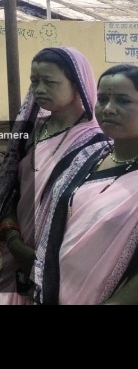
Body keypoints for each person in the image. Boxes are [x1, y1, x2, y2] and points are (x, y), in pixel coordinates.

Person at [0, 47, 104, 304]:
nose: (39, 89)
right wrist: (13, 238)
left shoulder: (97, 144)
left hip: (61, 260)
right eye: (34, 81)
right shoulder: (30, 131)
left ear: (77, 85)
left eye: (50, 82)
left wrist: (42, 256)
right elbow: (10, 188)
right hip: (17, 249)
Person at [34, 65, 138, 307]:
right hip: (56, 289)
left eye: (123, 100)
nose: (108, 109)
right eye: (102, 99)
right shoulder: (89, 156)